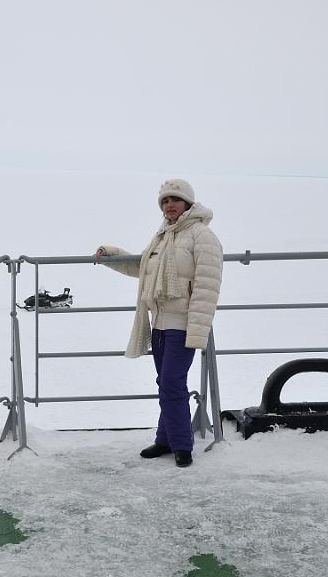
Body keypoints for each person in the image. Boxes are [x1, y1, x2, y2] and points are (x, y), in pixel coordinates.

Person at [95, 179, 223, 467]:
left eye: (175, 199)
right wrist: (111, 256)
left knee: (171, 383)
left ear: (189, 203)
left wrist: (197, 330)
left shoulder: (201, 236)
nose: (169, 205)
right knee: (165, 384)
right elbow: (141, 267)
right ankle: (165, 439)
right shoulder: (163, 237)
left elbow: (207, 287)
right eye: (165, 201)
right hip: (159, 324)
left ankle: (182, 445)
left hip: (183, 323)